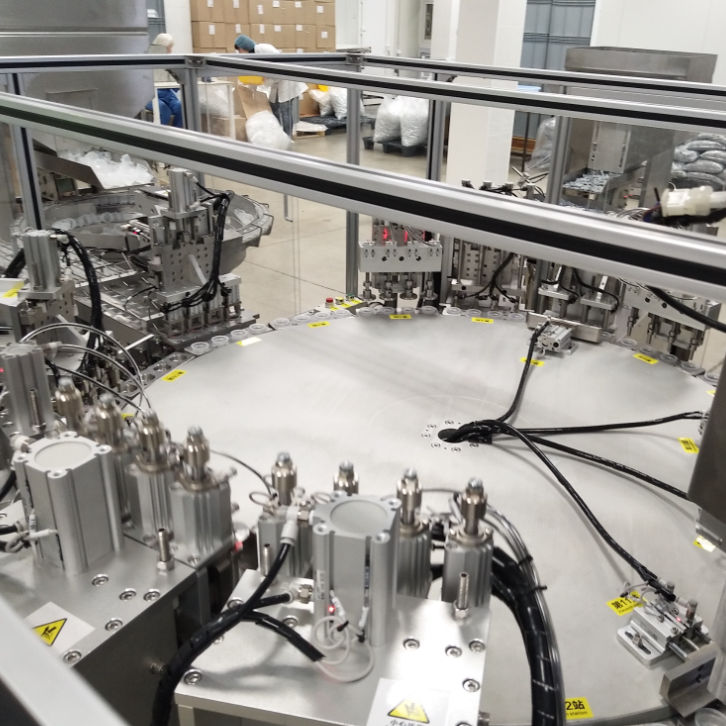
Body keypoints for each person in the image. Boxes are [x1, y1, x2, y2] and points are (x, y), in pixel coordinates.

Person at [233, 34, 307, 137]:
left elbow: (279, 68)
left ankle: (287, 137)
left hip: (286, 80)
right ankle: (279, 135)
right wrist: (251, 89)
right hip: (277, 83)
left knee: (285, 111)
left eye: (239, 49)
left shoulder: (263, 49)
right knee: (274, 107)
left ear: (244, 46)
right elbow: (256, 75)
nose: (240, 52)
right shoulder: (252, 56)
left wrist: (265, 81)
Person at [146, 33, 183, 128]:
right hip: (149, 95)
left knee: (181, 107)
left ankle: (177, 133)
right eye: (169, 48)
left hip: (167, 94)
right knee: (164, 109)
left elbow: (175, 86)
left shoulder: (169, 61)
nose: (170, 51)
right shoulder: (147, 59)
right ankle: (159, 135)